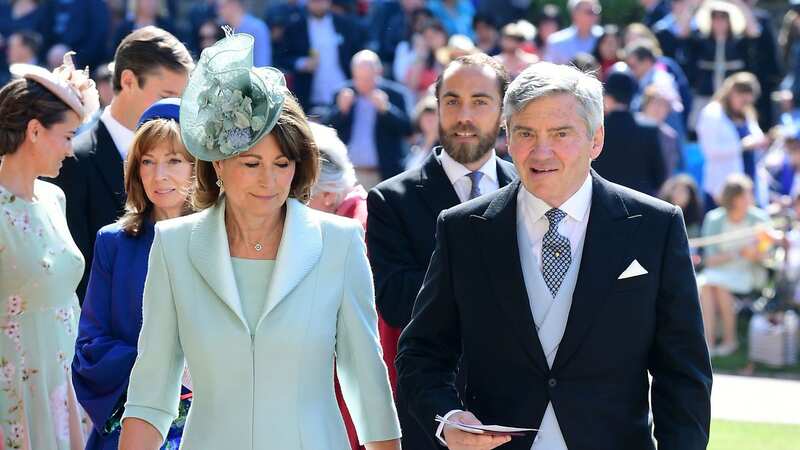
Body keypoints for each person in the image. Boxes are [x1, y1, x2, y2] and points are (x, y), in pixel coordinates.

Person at [396, 62, 712, 450]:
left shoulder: (654, 226)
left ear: (596, 140)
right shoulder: (463, 229)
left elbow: (683, 372)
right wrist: (447, 418)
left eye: (560, 133)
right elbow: (421, 353)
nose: (541, 150)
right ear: (507, 139)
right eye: (526, 133)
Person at [118, 31, 400, 450]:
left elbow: (367, 387)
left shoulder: (339, 242)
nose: (270, 180)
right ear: (217, 163)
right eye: (251, 163)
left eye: (282, 163)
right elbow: (151, 395)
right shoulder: (173, 245)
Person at [367, 53, 517, 450]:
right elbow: (397, 302)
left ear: (503, 110)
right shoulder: (390, 200)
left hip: (523, 410)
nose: (463, 115)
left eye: (479, 101)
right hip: (434, 413)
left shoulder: (533, 189)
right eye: (451, 101)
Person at [72, 99, 195, 450]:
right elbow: (90, 347)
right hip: (134, 420)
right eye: (147, 161)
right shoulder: (114, 243)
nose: (159, 176)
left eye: (174, 161)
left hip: (212, 421)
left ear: (197, 166)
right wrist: (167, 367)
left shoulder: (223, 240)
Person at [0, 53, 99, 450]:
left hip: (64, 379)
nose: (71, 149)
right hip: (13, 385)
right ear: (36, 131)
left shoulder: (54, 197)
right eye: (68, 135)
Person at [50, 26, 193, 301]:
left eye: (182, 98)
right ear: (128, 81)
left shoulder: (196, 160)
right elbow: (73, 277)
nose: (177, 109)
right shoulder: (72, 162)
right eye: (166, 95)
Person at [698, 174, 770, 357]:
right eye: (745, 195)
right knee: (707, 286)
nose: (750, 198)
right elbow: (709, 259)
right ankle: (709, 342)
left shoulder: (760, 219)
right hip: (718, 271)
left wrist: (755, 254)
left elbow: (767, 255)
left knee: (718, 285)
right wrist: (737, 253)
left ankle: (730, 340)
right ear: (733, 198)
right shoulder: (714, 218)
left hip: (748, 271)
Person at [327, 50, 412, 188]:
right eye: (360, 78)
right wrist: (341, 110)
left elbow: (408, 130)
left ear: (379, 73)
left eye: (368, 78)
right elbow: (327, 127)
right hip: (348, 174)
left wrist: (386, 109)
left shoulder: (395, 94)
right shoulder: (342, 93)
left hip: (383, 175)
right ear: (353, 74)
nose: (364, 83)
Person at [274, 0, 364, 111]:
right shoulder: (295, 27)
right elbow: (281, 58)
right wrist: (302, 63)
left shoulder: (345, 25)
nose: (318, 4)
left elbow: (356, 54)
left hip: (344, 95)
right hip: (308, 98)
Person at [697, 71, 767, 204]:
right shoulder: (712, 113)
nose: (745, 104)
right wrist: (742, 146)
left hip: (748, 186)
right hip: (721, 188)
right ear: (732, 93)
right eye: (742, 99)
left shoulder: (747, 113)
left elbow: (757, 138)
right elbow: (709, 150)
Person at [593, 70, 666, 196]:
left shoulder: (596, 128)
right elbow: (659, 177)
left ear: (607, 97)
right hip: (639, 203)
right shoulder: (649, 129)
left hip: (602, 201)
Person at [543, 0, 603, 64]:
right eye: (589, 12)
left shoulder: (604, 38)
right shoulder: (556, 41)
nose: (594, 16)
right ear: (575, 14)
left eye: (597, 12)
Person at [217, 0, 271, 67]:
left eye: (221, 7)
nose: (218, 11)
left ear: (233, 5)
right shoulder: (223, 29)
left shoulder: (257, 28)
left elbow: (263, 64)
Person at [659, 174, 705, 239]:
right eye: (676, 190)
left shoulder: (694, 223)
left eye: (683, 191)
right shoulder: (662, 215)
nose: (678, 194)